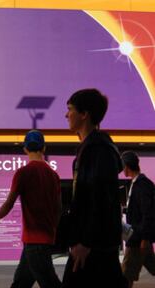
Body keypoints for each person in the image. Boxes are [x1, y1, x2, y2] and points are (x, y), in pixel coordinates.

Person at [62, 88, 127, 288]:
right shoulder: (91, 148)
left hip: (93, 246)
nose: (66, 115)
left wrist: (85, 242)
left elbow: (100, 198)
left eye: (70, 109)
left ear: (84, 114)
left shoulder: (98, 150)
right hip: (94, 244)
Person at [0, 129, 62, 288]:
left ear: (25, 149)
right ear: (44, 148)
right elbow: (58, 208)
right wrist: (53, 229)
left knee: (50, 283)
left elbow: (10, 201)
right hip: (42, 239)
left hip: (34, 240)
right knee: (21, 282)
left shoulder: (23, 173)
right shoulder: (53, 175)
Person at [120, 151, 155, 288]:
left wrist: (145, 239)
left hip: (137, 238)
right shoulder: (137, 183)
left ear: (127, 166)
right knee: (151, 266)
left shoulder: (142, 185)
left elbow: (149, 213)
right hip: (138, 237)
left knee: (126, 275)